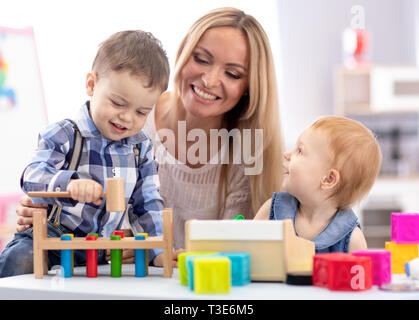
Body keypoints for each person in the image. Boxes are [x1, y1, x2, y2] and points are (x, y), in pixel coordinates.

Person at [15, 7, 284, 264]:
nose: (210, 80)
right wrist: (48, 203)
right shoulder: (130, 113)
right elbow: (56, 177)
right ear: (183, 53)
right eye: (201, 59)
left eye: (233, 73)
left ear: (249, 87)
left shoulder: (246, 149)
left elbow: (228, 250)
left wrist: (147, 245)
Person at [0, 30, 170, 277]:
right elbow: (32, 175)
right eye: (118, 103)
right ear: (91, 85)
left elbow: (148, 202)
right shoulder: (65, 133)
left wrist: (159, 249)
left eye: (141, 112)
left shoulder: (140, 146)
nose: (127, 118)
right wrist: (71, 184)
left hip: (101, 248)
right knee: (21, 259)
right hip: (53, 238)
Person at [254, 116, 382, 253]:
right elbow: (244, 252)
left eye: (300, 151)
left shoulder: (353, 240)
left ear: (328, 179)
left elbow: (362, 274)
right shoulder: (271, 210)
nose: (287, 154)